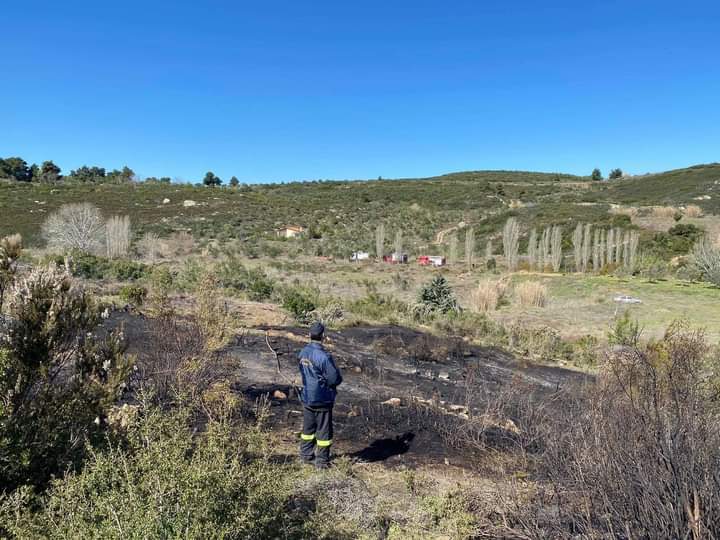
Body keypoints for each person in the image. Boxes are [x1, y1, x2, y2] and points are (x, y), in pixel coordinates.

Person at [298, 322, 342, 468]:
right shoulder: (324, 356)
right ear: (323, 336)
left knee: (308, 429)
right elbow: (334, 379)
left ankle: (305, 456)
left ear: (310, 335)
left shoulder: (303, 352)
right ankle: (322, 461)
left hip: (307, 397)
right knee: (323, 431)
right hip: (322, 399)